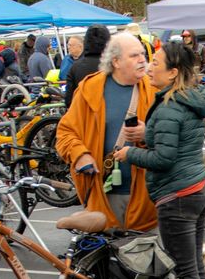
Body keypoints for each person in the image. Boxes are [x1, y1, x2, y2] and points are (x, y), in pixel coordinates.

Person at [111, 42, 205, 279]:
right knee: (194, 266)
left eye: (155, 62)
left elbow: (164, 158)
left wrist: (130, 153)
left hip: (178, 197)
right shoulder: (188, 99)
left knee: (187, 272)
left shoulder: (170, 106)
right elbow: (178, 143)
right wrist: (148, 134)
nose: (149, 66)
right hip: (196, 189)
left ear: (173, 72)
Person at [54, 32, 157, 233]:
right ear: (116, 61)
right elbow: (65, 132)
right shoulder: (89, 89)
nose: (142, 60)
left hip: (148, 198)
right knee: (105, 259)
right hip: (104, 194)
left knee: (144, 259)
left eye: (143, 54)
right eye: (134, 55)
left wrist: (148, 134)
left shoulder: (155, 89)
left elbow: (175, 138)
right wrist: (80, 155)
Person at [63, 25, 111, 108]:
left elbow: (69, 100)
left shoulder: (75, 67)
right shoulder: (115, 65)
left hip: (83, 115)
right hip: (110, 114)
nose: (69, 48)